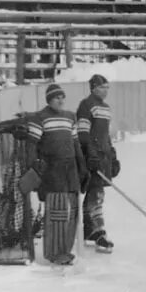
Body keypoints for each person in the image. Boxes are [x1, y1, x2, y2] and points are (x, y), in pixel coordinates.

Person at [24, 84, 88, 265]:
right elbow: (32, 145)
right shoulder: (40, 118)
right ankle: (54, 252)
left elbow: (76, 145)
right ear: (49, 100)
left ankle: (65, 249)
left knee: (73, 210)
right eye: (56, 97)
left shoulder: (70, 117)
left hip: (71, 169)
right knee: (56, 212)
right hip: (52, 169)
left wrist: (82, 166)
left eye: (62, 97)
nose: (60, 100)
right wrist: (35, 166)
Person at [76, 74, 120, 253]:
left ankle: (89, 230)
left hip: (104, 157)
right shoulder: (86, 105)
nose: (105, 90)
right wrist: (89, 154)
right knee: (96, 194)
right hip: (92, 157)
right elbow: (83, 133)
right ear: (93, 88)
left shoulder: (106, 108)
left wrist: (113, 155)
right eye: (102, 87)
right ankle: (98, 231)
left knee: (96, 193)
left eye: (107, 87)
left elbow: (105, 135)